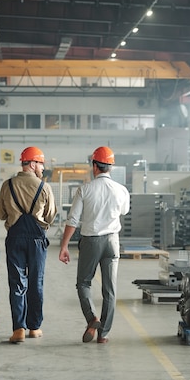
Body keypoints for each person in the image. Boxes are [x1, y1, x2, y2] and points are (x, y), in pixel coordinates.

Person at [58, 146, 130, 344]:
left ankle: (92, 319)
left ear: (94, 166)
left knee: (83, 283)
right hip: (112, 241)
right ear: (110, 168)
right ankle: (103, 334)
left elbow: (73, 220)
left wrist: (64, 246)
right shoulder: (121, 190)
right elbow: (124, 211)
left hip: (91, 241)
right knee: (110, 289)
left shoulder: (85, 189)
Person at [0, 146, 57, 343]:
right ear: (32, 164)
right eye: (40, 163)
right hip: (37, 239)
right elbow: (50, 216)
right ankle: (34, 327)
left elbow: (2, 214)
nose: (42, 167)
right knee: (36, 282)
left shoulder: (7, 185)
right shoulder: (44, 187)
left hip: (14, 238)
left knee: (17, 283)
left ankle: (18, 329)